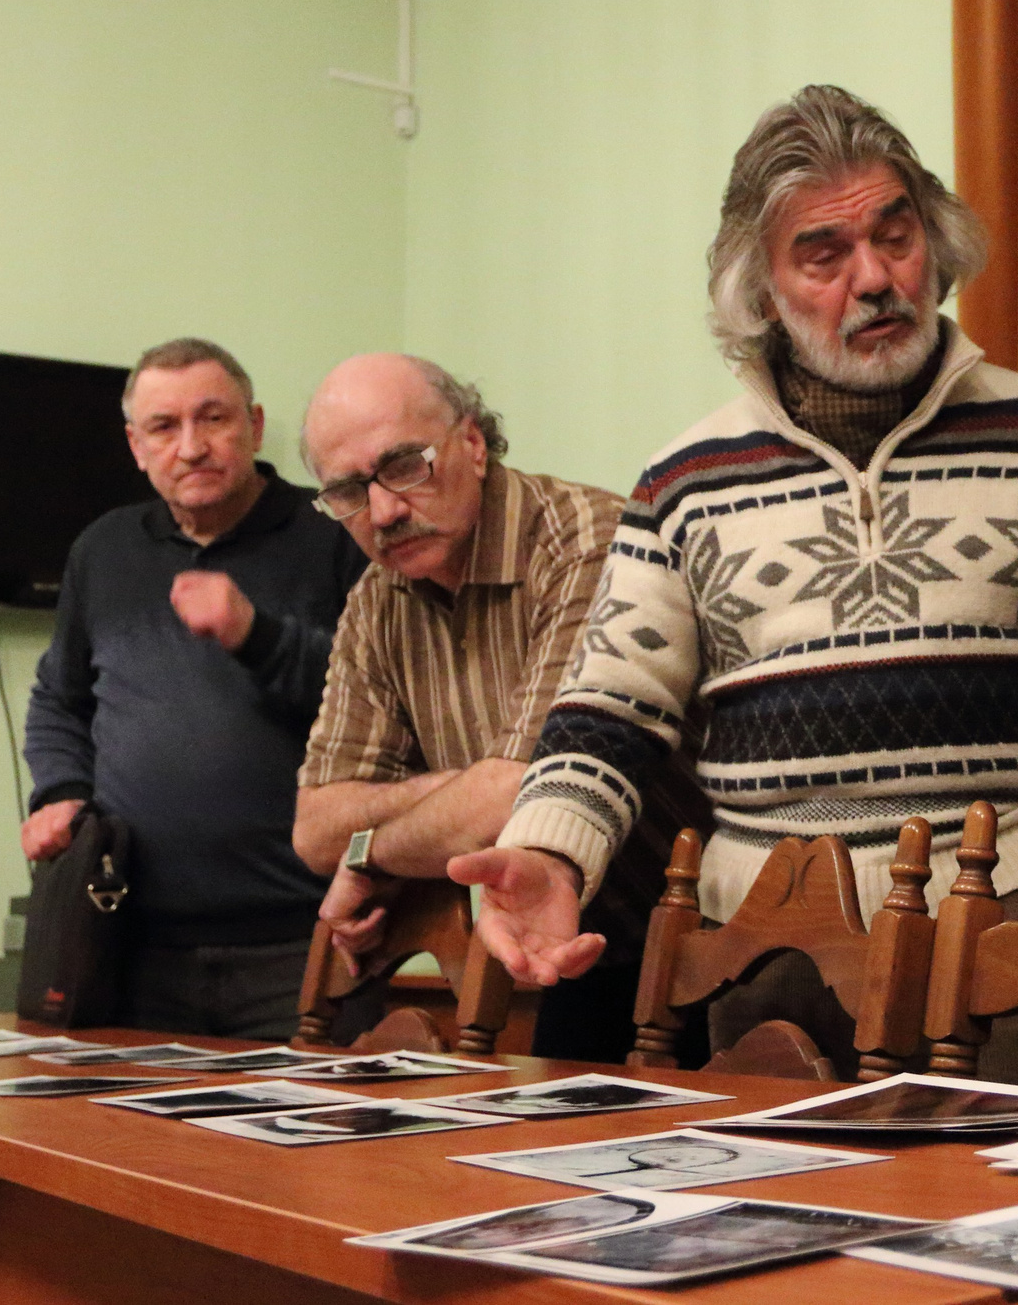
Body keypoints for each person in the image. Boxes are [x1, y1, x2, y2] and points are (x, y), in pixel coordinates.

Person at [456, 85, 1018, 1080]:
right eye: (822, 256)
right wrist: (552, 852)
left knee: (1015, 1223)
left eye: (896, 235)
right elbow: (613, 701)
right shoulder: (682, 480)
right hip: (765, 946)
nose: (874, 279)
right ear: (762, 291)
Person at [292, 353, 707, 1061]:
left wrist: (373, 852)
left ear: (474, 443)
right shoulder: (375, 602)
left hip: (705, 947)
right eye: (350, 491)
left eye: (404, 466)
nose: (386, 510)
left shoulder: (587, 539)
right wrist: (419, 821)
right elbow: (315, 827)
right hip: (567, 953)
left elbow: (527, 785)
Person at [22, 338, 364, 1039]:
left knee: (316, 1147)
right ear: (135, 445)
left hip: (307, 938)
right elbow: (60, 697)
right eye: (164, 427)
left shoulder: (333, 536)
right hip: (128, 943)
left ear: (256, 425)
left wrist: (255, 633)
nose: (192, 446)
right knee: (121, 1148)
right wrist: (59, 789)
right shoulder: (102, 549)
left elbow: (381, 708)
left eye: (213, 419)